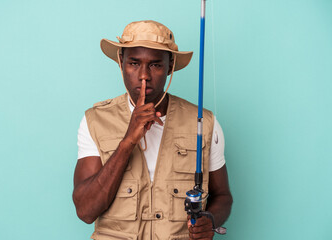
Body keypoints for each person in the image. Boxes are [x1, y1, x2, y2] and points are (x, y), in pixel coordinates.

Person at [73, 20, 233, 240]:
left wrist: (210, 220)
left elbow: (223, 196)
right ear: (121, 63)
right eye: (134, 63)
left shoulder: (204, 123)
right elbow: (85, 210)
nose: (144, 75)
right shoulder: (95, 120)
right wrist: (128, 141)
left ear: (170, 66)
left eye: (156, 65)